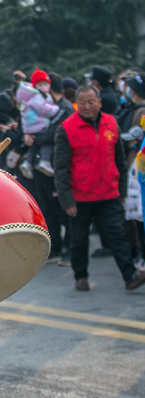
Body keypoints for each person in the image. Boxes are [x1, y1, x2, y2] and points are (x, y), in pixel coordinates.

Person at [54, 85, 145, 291]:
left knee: (117, 235)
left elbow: (120, 161)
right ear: (77, 104)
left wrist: (121, 192)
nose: (87, 107)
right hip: (80, 197)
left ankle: (130, 276)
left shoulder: (111, 122)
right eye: (83, 103)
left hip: (109, 194)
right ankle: (80, 276)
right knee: (79, 240)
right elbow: (60, 169)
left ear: (100, 103)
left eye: (91, 102)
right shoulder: (67, 129)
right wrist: (67, 201)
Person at [23, 73, 75, 265]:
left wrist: (33, 138)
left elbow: (54, 133)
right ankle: (55, 247)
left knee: (63, 209)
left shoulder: (64, 108)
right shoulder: (44, 106)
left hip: (57, 166)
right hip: (40, 166)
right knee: (47, 208)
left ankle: (70, 250)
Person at [17, 68, 60, 178]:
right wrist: (55, 108)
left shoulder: (30, 96)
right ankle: (45, 161)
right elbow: (45, 110)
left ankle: (28, 162)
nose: (44, 86)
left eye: (45, 83)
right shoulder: (37, 96)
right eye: (40, 84)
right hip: (38, 125)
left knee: (34, 145)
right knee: (45, 142)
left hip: (30, 127)